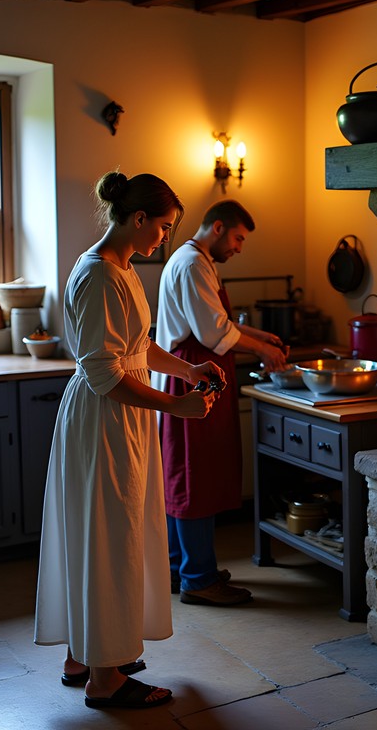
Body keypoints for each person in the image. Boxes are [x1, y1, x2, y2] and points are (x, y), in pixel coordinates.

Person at [34, 171, 225, 711]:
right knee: (109, 537)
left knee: (101, 532)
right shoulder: (99, 275)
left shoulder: (120, 267)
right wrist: (175, 405)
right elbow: (105, 375)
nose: (164, 237)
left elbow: (136, 348)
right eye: (163, 226)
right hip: (105, 419)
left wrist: (187, 370)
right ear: (138, 218)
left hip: (119, 416)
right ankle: (105, 680)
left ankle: (85, 655)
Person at [154, 200, 287, 606]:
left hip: (192, 375)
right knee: (194, 478)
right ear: (217, 228)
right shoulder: (192, 264)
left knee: (184, 475)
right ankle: (198, 578)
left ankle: (179, 569)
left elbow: (220, 323)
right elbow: (213, 334)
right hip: (192, 378)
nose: (239, 248)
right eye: (238, 239)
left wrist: (260, 337)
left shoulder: (199, 261)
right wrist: (262, 351)